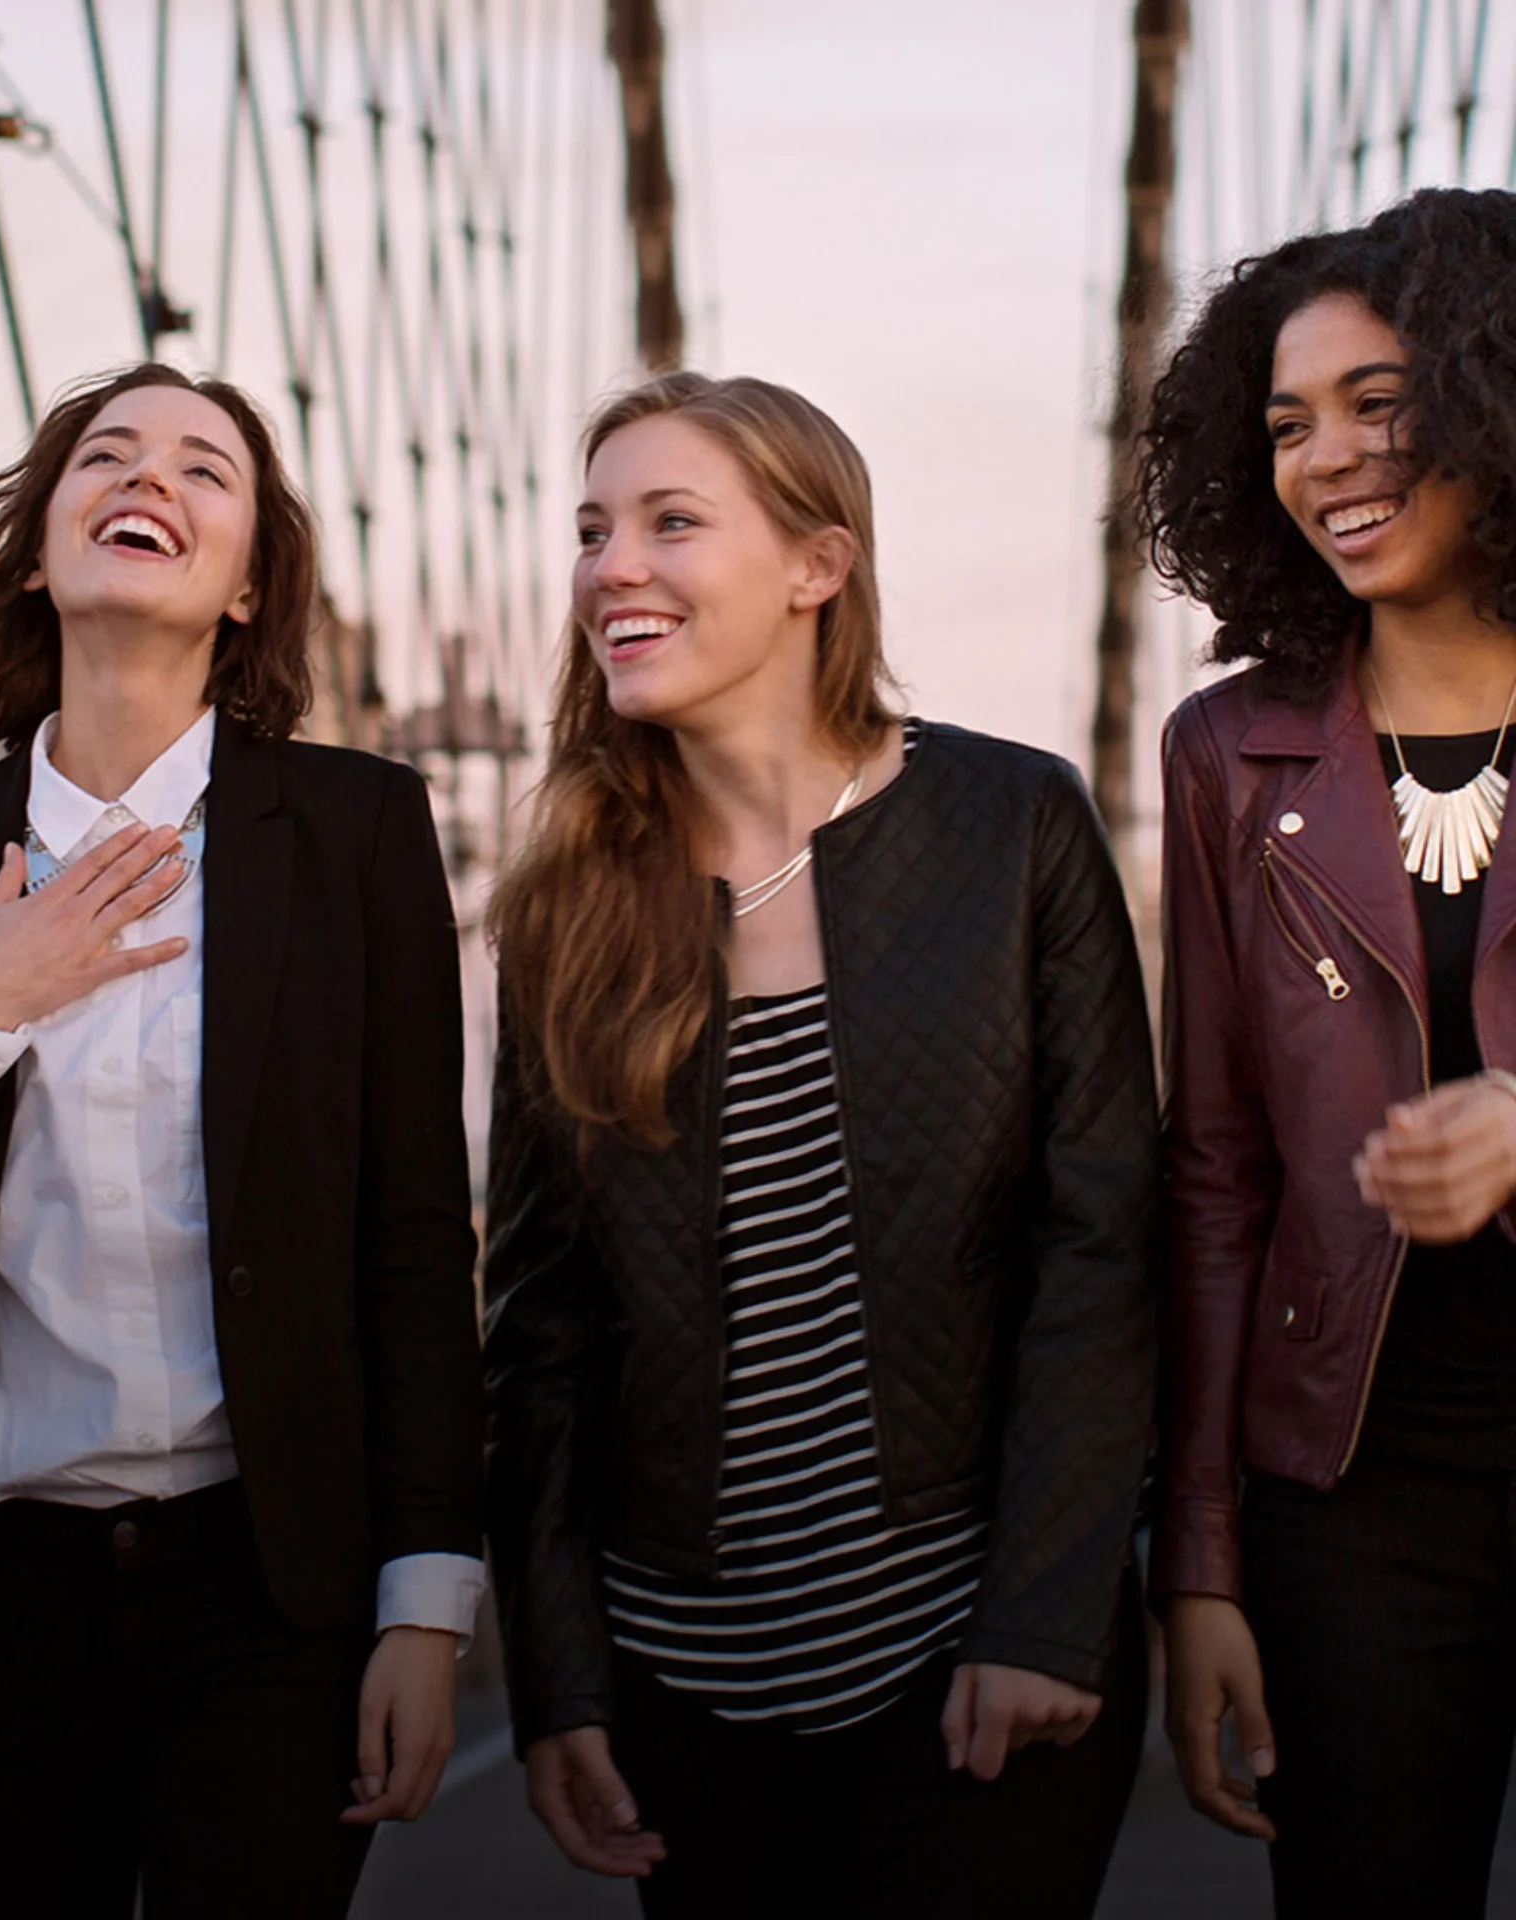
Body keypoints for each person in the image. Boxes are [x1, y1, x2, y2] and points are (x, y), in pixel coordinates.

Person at [481, 371, 1158, 1919]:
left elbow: (1101, 1241)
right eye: (591, 531)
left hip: (970, 1665)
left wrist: (1047, 1617)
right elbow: (543, 1331)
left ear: (816, 567)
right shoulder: (569, 905)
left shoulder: (1015, 825)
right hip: (682, 1699)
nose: (610, 568)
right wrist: (562, 1685)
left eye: (669, 522)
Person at [0, 362, 484, 1918]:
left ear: (247, 588)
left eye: (201, 471)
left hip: (271, 1589)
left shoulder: (360, 830)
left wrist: (427, 1602)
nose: (146, 480)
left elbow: (417, 1232)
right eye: (104, 456)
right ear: (39, 549)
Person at [1143, 186, 1516, 1917]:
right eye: (1288, 423)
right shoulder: (1228, 750)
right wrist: (1200, 1566)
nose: (1329, 458)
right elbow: (1213, 1169)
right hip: (1353, 1487)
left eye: (1380, 401)